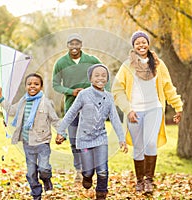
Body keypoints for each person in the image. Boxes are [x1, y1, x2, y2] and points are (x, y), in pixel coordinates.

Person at [111, 31, 183, 194]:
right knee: (139, 147)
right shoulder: (127, 66)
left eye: (144, 42)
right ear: (134, 46)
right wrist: (128, 110)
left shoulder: (158, 64)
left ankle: (149, 181)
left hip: (154, 108)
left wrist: (178, 106)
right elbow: (117, 90)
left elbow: (168, 87)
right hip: (134, 112)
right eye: (138, 43)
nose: (141, 45)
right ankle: (140, 181)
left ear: (148, 44)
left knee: (150, 143)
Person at [55, 64, 128, 200]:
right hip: (84, 140)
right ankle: (87, 176)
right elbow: (71, 113)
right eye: (97, 75)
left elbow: (115, 119)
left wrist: (121, 138)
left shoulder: (109, 97)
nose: (100, 78)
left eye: (104, 75)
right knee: (88, 170)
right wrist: (61, 130)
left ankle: (101, 193)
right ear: (90, 78)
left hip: (100, 138)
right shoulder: (84, 95)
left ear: (107, 79)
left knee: (102, 170)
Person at [0, 73, 60, 200]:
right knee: (31, 173)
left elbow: (55, 120)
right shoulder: (23, 101)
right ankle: (36, 195)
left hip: (42, 142)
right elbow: (12, 111)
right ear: (25, 86)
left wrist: (61, 133)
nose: (32, 86)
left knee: (44, 168)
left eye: (36, 84)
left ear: (41, 87)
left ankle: (46, 180)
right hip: (28, 143)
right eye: (29, 84)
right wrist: (1, 97)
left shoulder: (46, 103)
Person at [52, 33, 103, 182]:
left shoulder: (92, 60)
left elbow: (103, 76)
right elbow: (55, 85)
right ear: (67, 45)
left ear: (81, 45)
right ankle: (79, 170)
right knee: (74, 140)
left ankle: (90, 168)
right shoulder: (61, 63)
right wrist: (70, 91)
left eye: (77, 44)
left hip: (90, 106)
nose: (74, 47)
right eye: (71, 44)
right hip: (71, 106)